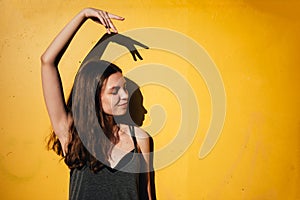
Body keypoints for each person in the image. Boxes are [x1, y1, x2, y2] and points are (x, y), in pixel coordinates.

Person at [41, 8, 154, 200]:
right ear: (93, 95)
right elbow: (47, 62)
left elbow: (148, 196)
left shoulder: (139, 139)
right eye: (114, 91)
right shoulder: (73, 134)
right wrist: (83, 15)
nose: (125, 96)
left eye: (124, 88)